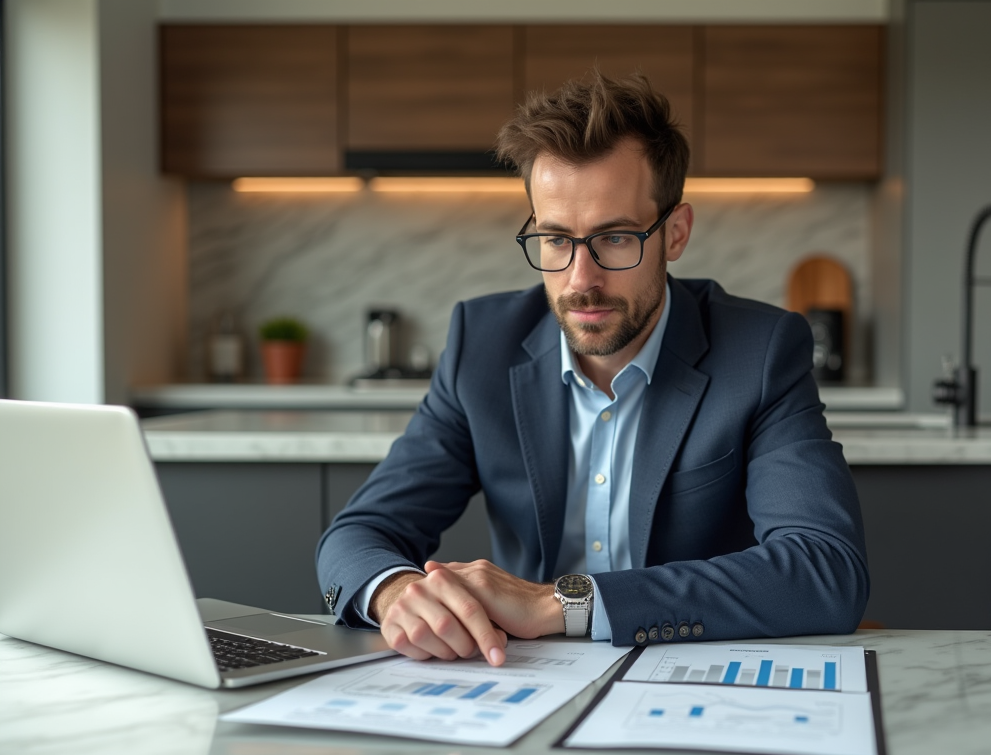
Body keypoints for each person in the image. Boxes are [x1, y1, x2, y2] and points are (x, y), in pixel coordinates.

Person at [316, 73, 868, 667]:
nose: (581, 280)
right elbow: (358, 536)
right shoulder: (483, 345)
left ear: (675, 233)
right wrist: (398, 593)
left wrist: (560, 603)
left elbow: (825, 570)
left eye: (616, 237)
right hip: (520, 679)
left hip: (689, 674)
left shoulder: (759, 352)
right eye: (556, 240)